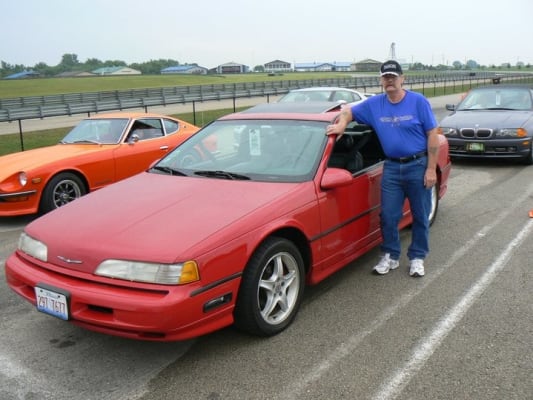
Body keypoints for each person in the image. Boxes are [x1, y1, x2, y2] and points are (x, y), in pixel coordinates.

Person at [326, 60, 440, 277]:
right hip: (392, 168)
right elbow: (348, 111)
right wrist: (341, 124)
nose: (389, 80)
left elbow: (432, 134)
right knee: (388, 216)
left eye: (393, 77)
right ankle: (390, 255)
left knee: (420, 215)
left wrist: (431, 169)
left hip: (417, 165)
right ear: (381, 80)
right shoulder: (374, 104)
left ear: (402, 79)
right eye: (385, 77)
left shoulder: (418, 101)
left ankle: (417, 257)